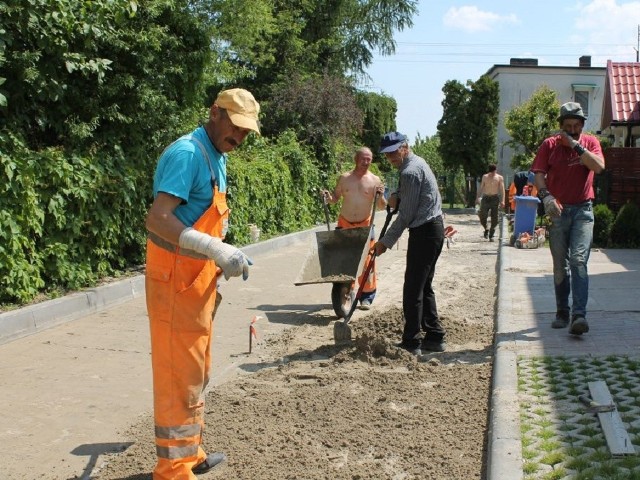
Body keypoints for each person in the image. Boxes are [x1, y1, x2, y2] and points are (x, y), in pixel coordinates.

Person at [144, 88, 260, 479]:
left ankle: (190, 452)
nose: (239, 138)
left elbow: (198, 216)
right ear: (215, 113)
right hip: (175, 281)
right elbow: (159, 219)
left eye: (246, 132)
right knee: (179, 375)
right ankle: (173, 469)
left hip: (196, 282)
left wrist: (220, 253)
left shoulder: (217, 155)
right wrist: (212, 246)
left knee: (196, 371)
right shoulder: (188, 154)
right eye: (235, 128)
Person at [532, 101, 605, 335]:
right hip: (559, 211)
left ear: (582, 126)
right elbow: (539, 176)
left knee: (579, 261)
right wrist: (546, 196)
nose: (572, 129)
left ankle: (579, 315)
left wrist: (575, 145)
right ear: (560, 126)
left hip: (583, 210)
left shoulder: (590, 142)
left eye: (576, 126)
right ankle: (562, 312)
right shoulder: (549, 145)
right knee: (560, 265)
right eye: (567, 126)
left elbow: (599, 167)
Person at [373, 131, 446, 355]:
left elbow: (404, 216)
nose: (391, 158)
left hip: (424, 233)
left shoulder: (411, 171)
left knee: (412, 289)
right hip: (432, 230)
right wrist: (396, 194)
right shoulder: (415, 163)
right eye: (386, 155)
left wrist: (384, 242)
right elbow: (408, 196)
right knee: (424, 286)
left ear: (404, 146)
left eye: (394, 152)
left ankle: (412, 342)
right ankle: (434, 336)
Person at [322, 147, 386, 309]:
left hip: (365, 225)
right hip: (345, 224)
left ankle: (366, 297)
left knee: (366, 262)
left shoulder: (375, 180)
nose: (366, 162)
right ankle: (345, 291)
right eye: (363, 159)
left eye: (369, 159)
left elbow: (381, 206)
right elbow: (335, 198)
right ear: (356, 159)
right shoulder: (344, 178)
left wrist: (381, 196)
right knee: (344, 260)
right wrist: (328, 197)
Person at [476, 164, 505, 241]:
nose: (492, 174)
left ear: (496, 170)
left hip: (494, 198)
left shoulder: (499, 178)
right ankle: (486, 228)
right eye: (491, 172)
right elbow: (481, 187)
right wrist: (477, 197)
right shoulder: (485, 177)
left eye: (494, 172)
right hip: (485, 198)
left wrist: (503, 200)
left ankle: (492, 233)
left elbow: (502, 190)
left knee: (495, 217)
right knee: (482, 215)